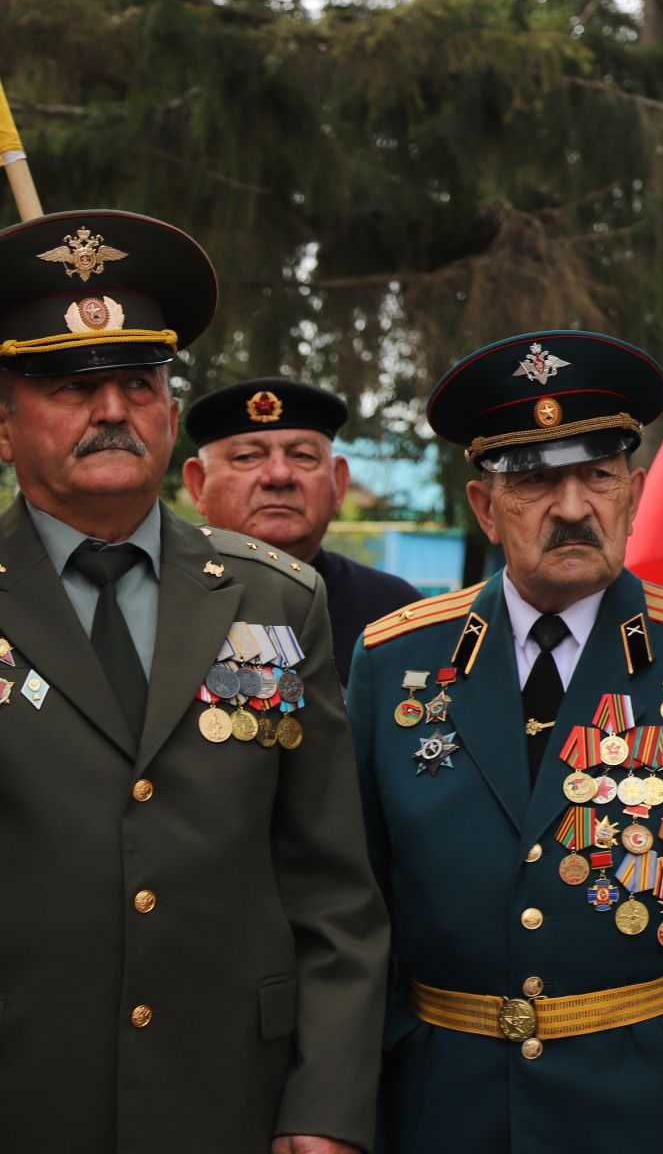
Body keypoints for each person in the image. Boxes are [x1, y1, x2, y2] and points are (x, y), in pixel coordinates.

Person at [346, 330, 663, 1153]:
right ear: (485, 508)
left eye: (597, 476)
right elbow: (354, 913)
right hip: (442, 1108)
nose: (572, 508)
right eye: (533, 481)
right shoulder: (396, 663)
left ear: (634, 492)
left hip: (649, 1111)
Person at [0, 210, 387, 1153]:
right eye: (71, 387)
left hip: (233, 1105)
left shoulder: (275, 601)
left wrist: (328, 1110)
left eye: (139, 385)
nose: (111, 413)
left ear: (171, 414)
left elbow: (332, 888)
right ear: (4, 425)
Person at [182, 376, 421, 686]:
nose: (279, 475)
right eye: (247, 457)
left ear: (340, 483)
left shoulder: (394, 613)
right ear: (198, 484)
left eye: (303, 456)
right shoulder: (160, 601)